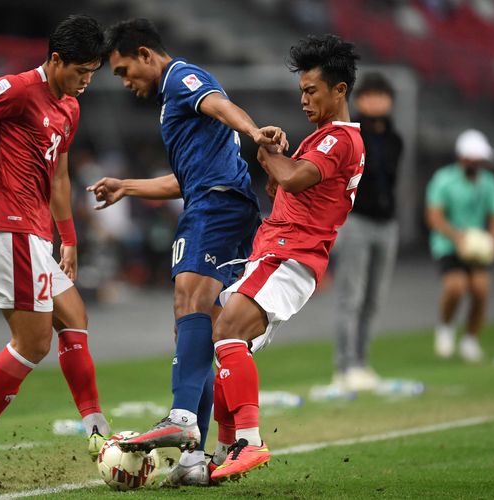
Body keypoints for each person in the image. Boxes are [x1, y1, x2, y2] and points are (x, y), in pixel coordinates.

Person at [88, 18, 287, 486]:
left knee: (188, 304)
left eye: (122, 71)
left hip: (215, 205)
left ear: (144, 55)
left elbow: (219, 105)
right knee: (200, 329)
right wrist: (127, 187)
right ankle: (196, 457)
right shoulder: (170, 103)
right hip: (219, 200)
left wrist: (254, 131)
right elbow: (185, 178)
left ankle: (182, 418)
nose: (125, 82)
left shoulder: (180, 77)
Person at [0, 15, 110, 484]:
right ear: (56, 60)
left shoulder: (69, 107)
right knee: (34, 342)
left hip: (34, 233)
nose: (86, 82)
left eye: (93, 73)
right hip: (3, 225)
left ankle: (97, 432)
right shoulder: (16, 89)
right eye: (81, 72)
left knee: (75, 316)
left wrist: (68, 237)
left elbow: (59, 177)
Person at [210, 34, 363, 482]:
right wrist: (279, 155)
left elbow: (292, 180)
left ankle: (249, 442)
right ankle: (220, 453)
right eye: (300, 91)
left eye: (311, 90)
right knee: (226, 342)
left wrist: (266, 153)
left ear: (339, 90)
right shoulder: (326, 140)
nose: (303, 99)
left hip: (288, 253)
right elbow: (283, 186)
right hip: (283, 254)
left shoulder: (339, 140)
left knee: (227, 329)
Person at [330, 72, 403, 391]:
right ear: (359, 100)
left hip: (387, 225)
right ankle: (344, 367)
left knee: (374, 299)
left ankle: (361, 363)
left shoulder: (394, 138)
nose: (376, 101)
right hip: (356, 221)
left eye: (381, 95)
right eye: (370, 95)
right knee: (352, 297)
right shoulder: (351, 134)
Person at [425, 129, 494, 362]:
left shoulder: (489, 183)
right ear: (463, 158)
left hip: (477, 247)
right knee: (456, 287)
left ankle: (470, 339)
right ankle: (446, 327)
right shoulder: (444, 179)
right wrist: (457, 237)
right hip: (448, 244)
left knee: (480, 289)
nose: (478, 163)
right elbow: (435, 216)